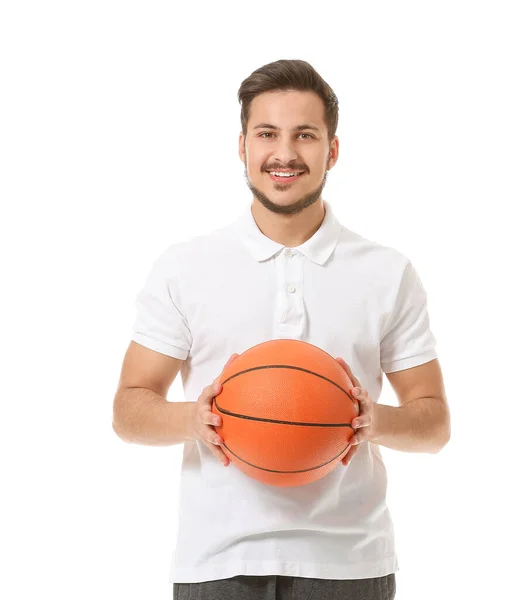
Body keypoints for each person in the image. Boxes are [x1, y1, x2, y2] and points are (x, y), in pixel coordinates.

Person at [112, 59, 451, 600]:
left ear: (332, 150)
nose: (285, 153)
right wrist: (196, 419)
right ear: (242, 145)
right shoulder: (185, 266)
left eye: (305, 135)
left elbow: (433, 422)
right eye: (267, 133)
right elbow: (129, 409)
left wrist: (370, 419)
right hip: (217, 563)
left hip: (350, 564)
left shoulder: (387, 272)